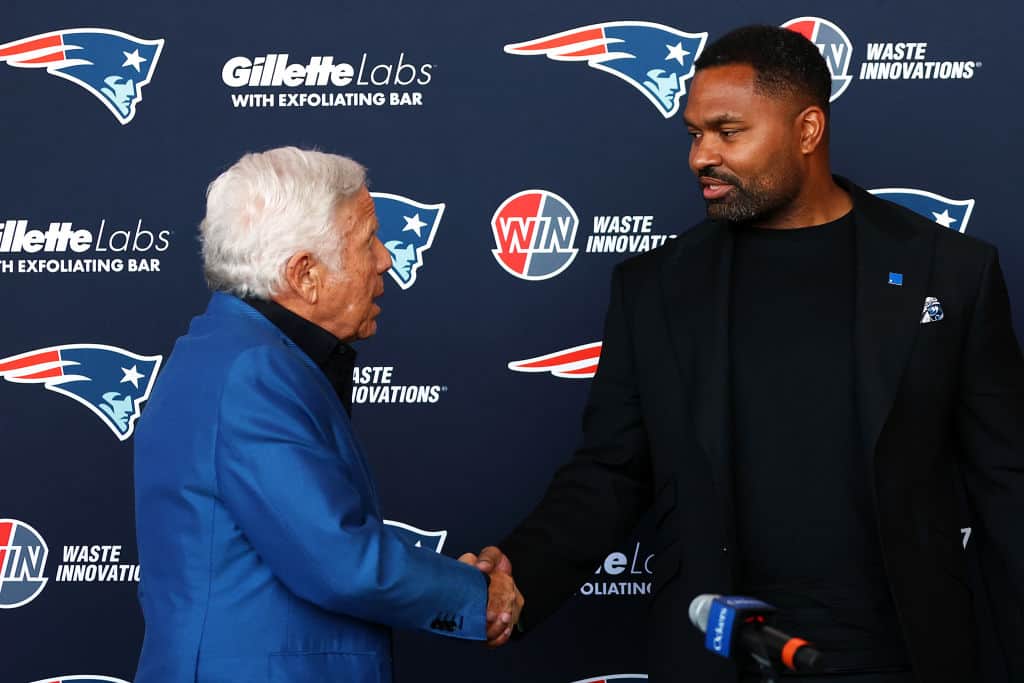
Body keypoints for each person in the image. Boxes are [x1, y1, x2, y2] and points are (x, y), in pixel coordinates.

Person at [464, 25, 1024, 683]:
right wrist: (519, 574)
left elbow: (1006, 484)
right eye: (695, 133)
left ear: (807, 130)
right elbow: (611, 469)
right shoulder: (656, 287)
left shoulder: (948, 271)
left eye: (729, 132)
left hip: (900, 658)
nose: (702, 155)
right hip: (719, 660)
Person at [133, 147, 522, 682]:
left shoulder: (229, 352)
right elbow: (338, 561)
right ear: (305, 274)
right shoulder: (254, 372)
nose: (385, 259)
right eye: (367, 241)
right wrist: (477, 597)